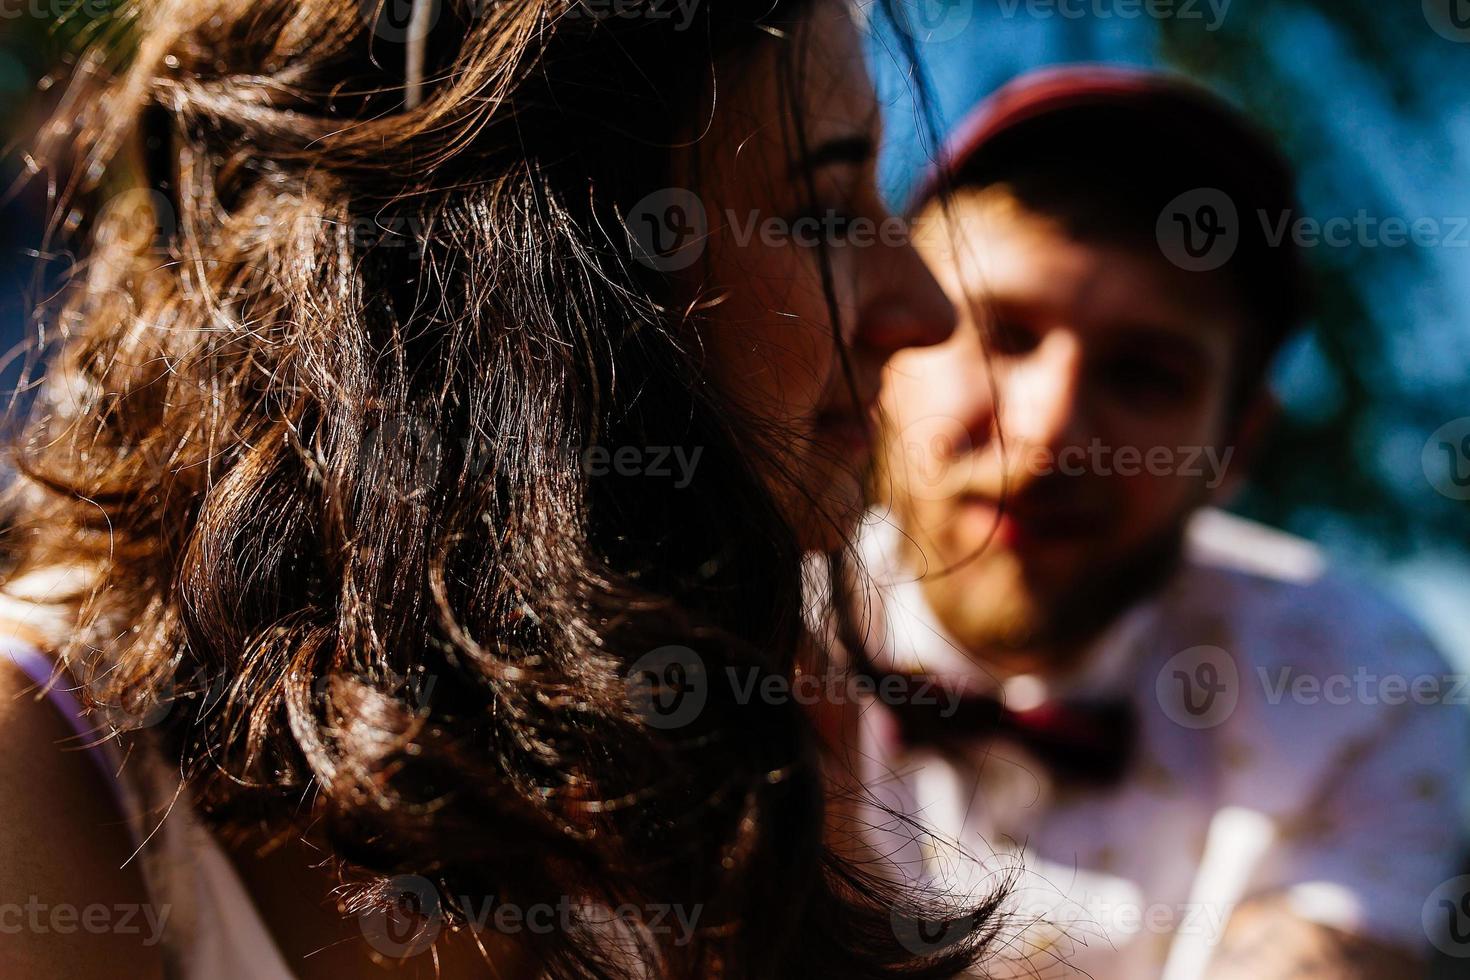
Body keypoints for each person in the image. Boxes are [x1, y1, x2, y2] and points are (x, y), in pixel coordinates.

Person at [0, 1, 1000, 977]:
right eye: (824, 212)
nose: (923, 308)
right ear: (527, 274)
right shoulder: (36, 771)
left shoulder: (742, 697)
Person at [836, 65, 1468, 978]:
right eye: (1001, 332)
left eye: (1145, 374)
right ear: (888, 343)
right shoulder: (726, 639)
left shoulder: (1363, 679)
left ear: (1235, 446)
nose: (1050, 435)